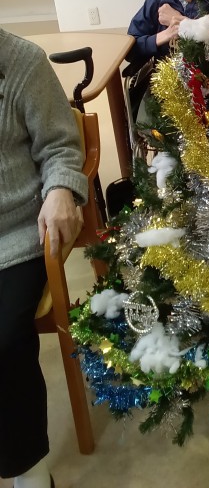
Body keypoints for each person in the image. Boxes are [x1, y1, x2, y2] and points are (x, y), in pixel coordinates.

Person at [0, 29, 88, 488]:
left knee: (4, 341)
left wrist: (59, 189)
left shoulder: (23, 62)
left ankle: (28, 470)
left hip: (15, 234)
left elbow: (59, 146)